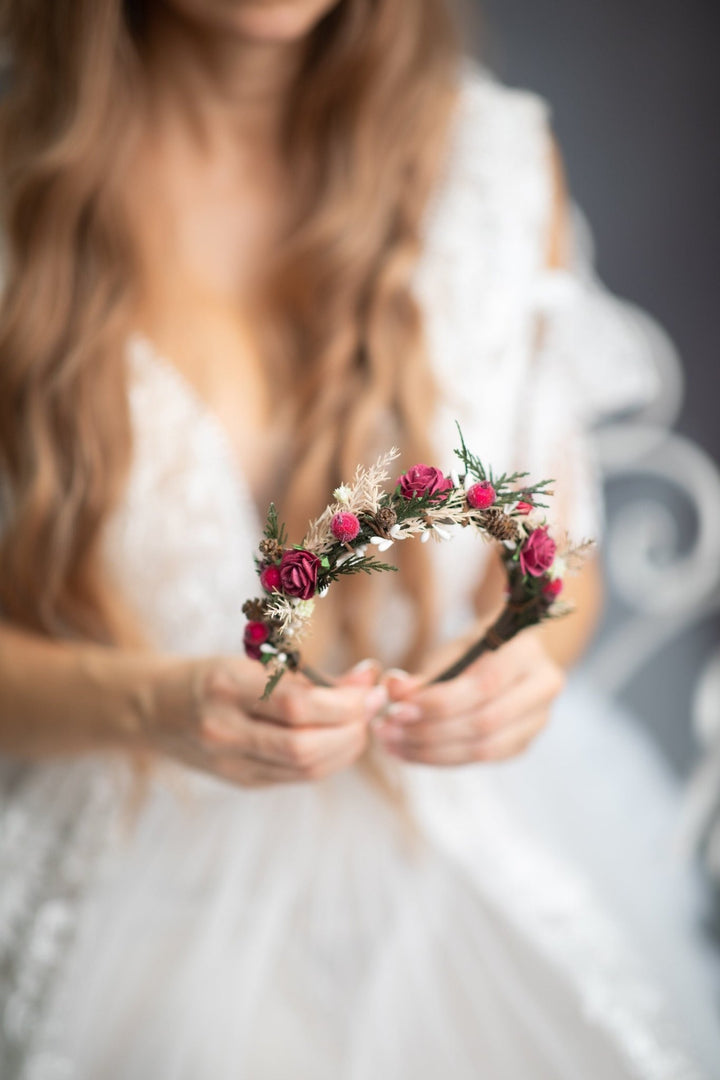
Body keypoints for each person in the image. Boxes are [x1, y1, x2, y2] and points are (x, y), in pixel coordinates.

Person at [0, 1, 717, 1076]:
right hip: (121, 877)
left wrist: (521, 655)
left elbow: (558, 558)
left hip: (464, 845)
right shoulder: (17, 203)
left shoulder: (493, 167)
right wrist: (155, 705)